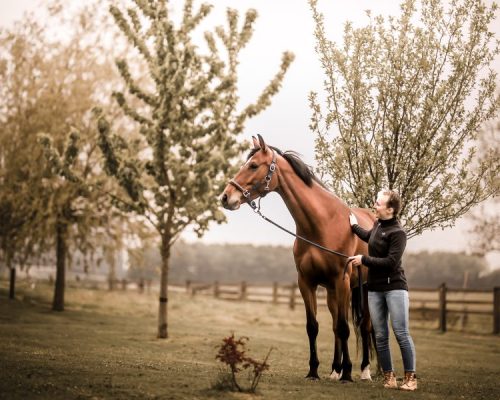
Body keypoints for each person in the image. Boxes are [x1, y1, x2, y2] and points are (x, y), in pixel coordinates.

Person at [348, 189, 417, 391]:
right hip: (374, 289)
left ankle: (411, 379)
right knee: (380, 335)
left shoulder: (398, 233)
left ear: (390, 209)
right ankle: (389, 378)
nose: (375, 206)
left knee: (401, 333)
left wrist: (364, 260)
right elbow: (368, 236)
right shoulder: (377, 225)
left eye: (378, 204)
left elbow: (390, 262)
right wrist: (353, 225)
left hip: (394, 288)